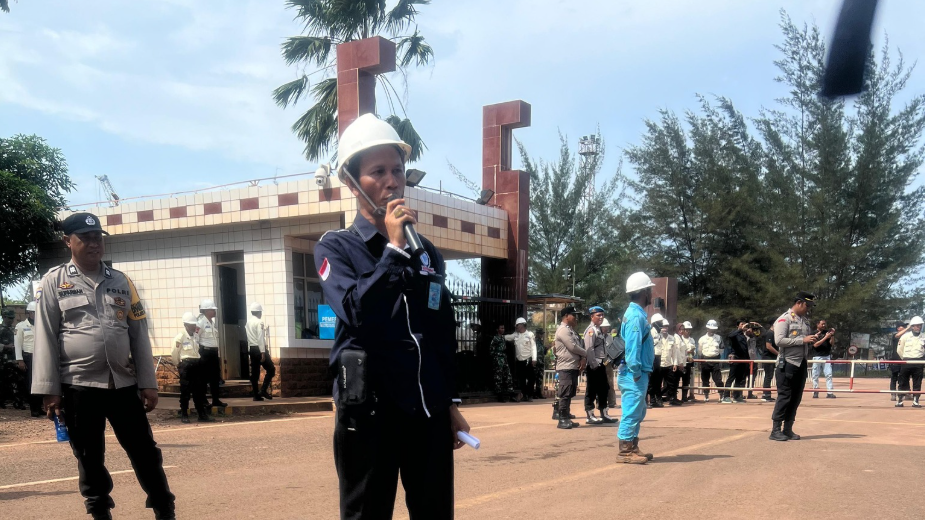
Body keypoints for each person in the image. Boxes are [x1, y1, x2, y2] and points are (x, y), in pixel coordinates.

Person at [313, 114, 469, 519]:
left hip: (426, 411)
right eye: (377, 171)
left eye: (397, 170)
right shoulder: (336, 248)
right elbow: (358, 313)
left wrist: (449, 401)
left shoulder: (427, 253)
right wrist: (393, 253)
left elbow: (439, 330)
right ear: (351, 182)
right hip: (369, 414)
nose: (392, 181)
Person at [31, 212, 175, 520]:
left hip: (123, 384)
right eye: (86, 238)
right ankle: (99, 513)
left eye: (98, 237)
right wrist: (49, 390)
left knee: (145, 453)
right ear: (68, 241)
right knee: (89, 456)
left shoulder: (122, 282)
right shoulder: (54, 281)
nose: (94, 243)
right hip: (79, 386)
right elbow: (44, 335)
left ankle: (164, 508)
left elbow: (138, 334)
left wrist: (148, 382)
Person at [617, 272, 656, 464]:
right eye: (649, 290)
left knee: (638, 411)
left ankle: (633, 446)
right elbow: (633, 347)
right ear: (643, 292)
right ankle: (625, 452)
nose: (651, 293)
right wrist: (636, 371)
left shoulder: (637, 314)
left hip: (636, 372)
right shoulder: (634, 316)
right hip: (634, 373)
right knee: (632, 411)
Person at [769, 291, 818, 442]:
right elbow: (779, 341)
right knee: (784, 396)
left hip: (801, 363)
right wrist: (802, 340)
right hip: (787, 363)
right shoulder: (784, 319)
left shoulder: (805, 321)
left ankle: (788, 428)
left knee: (796, 398)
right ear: (799, 303)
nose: (808, 308)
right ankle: (775, 430)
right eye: (807, 305)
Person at [171, 312, 211, 423]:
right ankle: (184, 414)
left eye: (195, 324)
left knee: (199, 391)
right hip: (186, 365)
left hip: (197, 364)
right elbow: (175, 352)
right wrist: (178, 365)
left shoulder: (196, 336)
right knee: (185, 391)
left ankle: (201, 414)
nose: (194, 326)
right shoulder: (180, 337)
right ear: (186, 325)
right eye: (192, 325)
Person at [583, 306, 616, 424]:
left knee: (604, 389)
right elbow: (589, 348)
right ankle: (590, 415)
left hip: (601, 363)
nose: (601, 317)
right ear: (592, 316)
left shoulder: (598, 329)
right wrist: (593, 364)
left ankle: (604, 413)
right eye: (598, 315)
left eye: (602, 315)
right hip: (594, 364)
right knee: (591, 389)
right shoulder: (591, 330)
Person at [554, 306, 585, 429]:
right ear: (566, 316)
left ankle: (566, 416)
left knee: (570, 392)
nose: (575, 317)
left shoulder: (570, 330)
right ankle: (562, 419)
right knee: (565, 393)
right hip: (565, 366)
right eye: (573, 315)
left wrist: (583, 358)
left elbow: (577, 346)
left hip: (572, 366)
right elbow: (573, 347)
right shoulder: (563, 330)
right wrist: (586, 354)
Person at [196, 298, 226, 409]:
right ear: (206, 310)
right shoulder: (200, 322)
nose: (214, 311)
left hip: (213, 353)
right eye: (212, 309)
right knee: (203, 378)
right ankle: (203, 400)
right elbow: (196, 338)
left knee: (215, 377)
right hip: (205, 352)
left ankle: (215, 399)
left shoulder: (211, 323)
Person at [14, 301, 43, 416]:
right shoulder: (21, 326)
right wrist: (20, 360)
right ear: (30, 313)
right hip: (28, 357)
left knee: (41, 382)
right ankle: (34, 409)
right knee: (31, 383)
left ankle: (40, 407)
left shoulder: (42, 325)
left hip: (41, 357)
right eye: (35, 313)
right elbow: (18, 344)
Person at [245, 303, 275, 401]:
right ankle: (263, 390)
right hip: (259, 348)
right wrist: (263, 352)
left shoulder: (248, 323)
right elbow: (260, 337)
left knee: (255, 373)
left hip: (252, 349)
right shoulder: (259, 322)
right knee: (271, 369)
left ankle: (256, 395)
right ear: (259, 312)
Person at [504, 317, 537, 402]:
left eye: (517, 325)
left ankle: (530, 395)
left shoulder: (530, 334)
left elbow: (533, 347)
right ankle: (524, 394)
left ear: (522, 325)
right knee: (521, 379)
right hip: (519, 361)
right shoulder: (516, 335)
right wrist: (500, 336)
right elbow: (508, 337)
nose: (516, 327)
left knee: (531, 379)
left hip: (528, 360)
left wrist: (534, 358)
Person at [895, 315, 925, 408]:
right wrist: (904, 359)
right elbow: (899, 349)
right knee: (902, 381)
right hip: (906, 361)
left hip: (919, 362)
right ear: (912, 326)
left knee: (917, 382)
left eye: (919, 325)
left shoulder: (923, 337)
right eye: (916, 325)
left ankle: (916, 401)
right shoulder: (905, 336)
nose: (918, 327)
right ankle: (900, 400)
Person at [722, 320, 750, 404]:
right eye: (742, 324)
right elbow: (730, 336)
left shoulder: (744, 336)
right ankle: (726, 396)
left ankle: (736, 396)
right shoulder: (735, 334)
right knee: (731, 378)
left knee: (739, 379)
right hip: (735, 359)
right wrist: (740, 329)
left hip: (743, 360)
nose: (744, 326)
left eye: (745, 324)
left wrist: (747, 360)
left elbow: (745, 349)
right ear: (738, 325)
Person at [657, 321, 683, 406]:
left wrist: (675, 363)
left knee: (671, 383)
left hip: (669, 364)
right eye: (663, 326)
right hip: (659, 364)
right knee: (658, 382)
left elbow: (674, 352)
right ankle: (658, 398)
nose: (665, 328)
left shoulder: (672, 338)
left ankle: (672, 398)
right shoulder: (657, 337)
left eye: (666, 326)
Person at [490, 323, 517, 402]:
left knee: (508, 377)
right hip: (498, 360)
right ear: (497, 329)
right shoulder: (495, 338)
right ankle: (499, 395)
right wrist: (498, 356)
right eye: (501, 328)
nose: (503, 330)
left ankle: (511, 394)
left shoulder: (503, 338)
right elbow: (491, 351)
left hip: (504, 360)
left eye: (503, 328)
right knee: (498, 378)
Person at [698, 320, 724, 402]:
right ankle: (706, 395)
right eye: (710, 329)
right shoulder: (702, 339)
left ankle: (721, 394)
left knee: (718, 379)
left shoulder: (719, 338)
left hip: (715, 360)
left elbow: (721, 350)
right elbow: (699, 351)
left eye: (713, 329)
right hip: (705, 360)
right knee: (705, 380)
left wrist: (717, 357)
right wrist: (700, 362)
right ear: (707, 328)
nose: (712, 330)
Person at [811, 319, 837, 398]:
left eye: (825, 324)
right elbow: (815, 345)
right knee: (815, 375)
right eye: (822, 324)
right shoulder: (813, 333)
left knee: (828, 374)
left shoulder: (827, 333)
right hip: (817, 357)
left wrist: (832, 335)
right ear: (817, 324)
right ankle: (815, 391)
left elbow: (832, 344)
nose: (824, 325)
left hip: (826, 356)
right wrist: (825, 337)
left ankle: (830, 392)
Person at [647, 313, 666, 408]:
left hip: (659, 358)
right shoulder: (651, 332)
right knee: (652, 379)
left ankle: (658, 399)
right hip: (652, 357)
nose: (662, 323)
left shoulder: (660, 333)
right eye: (660, 321)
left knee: (658, 380)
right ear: (655, 323)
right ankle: (652, 400)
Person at [759, 320, 780, 402]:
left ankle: (768, 394)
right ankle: (765, 395)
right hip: (768, 358)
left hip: (774, 358)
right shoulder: (770, 333)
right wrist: (778, 354)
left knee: (774, 375)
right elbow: (768, 346)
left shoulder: (775, 333)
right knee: (768, 376)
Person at [601, 318, 618, 409]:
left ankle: (612, 402)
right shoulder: (597, 336)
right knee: (600, 384)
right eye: (605, 327)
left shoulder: (610, 337)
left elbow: (613, 350)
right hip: (599, 363)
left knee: (610, 383)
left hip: (608, 363)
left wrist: (613, 361)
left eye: (607, 327)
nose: (606, 329)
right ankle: (600, 403)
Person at [745, 322, 764, 400]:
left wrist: (760, 325)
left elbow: (764, 334)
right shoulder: (744, 337)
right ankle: (738, 394)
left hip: (753, 360)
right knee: (742, 378)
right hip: (746, 359)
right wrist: (745, 328)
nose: (752, 331)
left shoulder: (755, 337)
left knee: (752, 378)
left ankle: (750, 393)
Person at [679, 321, 696, 403]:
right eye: (686, 330)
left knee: (686, 380)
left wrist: (692, 352)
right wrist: (687, 352)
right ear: (683, 330)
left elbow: (694, 351)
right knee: (677, 379)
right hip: (680, 362)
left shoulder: (692, 340)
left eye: (689, 330)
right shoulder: (679, 338)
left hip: (688, 362)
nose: (688, 331)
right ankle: (673, 396)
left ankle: (684, 397)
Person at [890, 322, 907, 401]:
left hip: (903, 359)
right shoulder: (895, 336)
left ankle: (903, 393)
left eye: (905, 326)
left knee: (903, 377)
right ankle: (893, 394)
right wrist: (908, 328)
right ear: (898, 328)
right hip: (895, 359)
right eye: (903, 326)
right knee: (894, 377)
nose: (904, 327)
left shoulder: (906, 337)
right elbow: (898, 335)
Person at [532, 328, 547, 400]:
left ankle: (538, 393)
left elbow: (543, 352)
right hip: (536, 362)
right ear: (537, 334)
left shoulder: (541, 342)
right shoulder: (534, 341)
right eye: (541, 334)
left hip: (541, 362)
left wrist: (546, 348)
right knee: (534, 378)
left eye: (542, 334)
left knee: (539, 379)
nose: (542, 335)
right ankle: (532, 393)